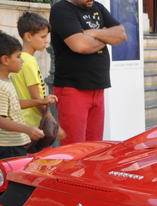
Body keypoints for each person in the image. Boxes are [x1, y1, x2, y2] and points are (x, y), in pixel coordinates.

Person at [49, 0, 126, 145]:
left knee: (94, 148)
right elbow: (80, 45)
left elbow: (121, 35)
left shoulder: (97, 6)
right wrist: (106, 37)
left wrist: (93, 33)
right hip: (73, 89)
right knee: (75, 149)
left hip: (98, 88)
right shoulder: (61, 9)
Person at [0, 31, 54, 162]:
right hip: (6, 148)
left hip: (12, 145)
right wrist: (28, 129)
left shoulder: (4, 80)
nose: (22, 61)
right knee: (12, 182)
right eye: (18, 56)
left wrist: (40, 101)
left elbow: (14, 104)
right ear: (5, 59)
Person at [11, 12, 65, 147]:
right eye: (42, 36)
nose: (46, 40)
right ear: (28, 36)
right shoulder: (28, 62)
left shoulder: (20, 59)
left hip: (24, 124)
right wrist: (54, 125)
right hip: (31, 126)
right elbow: (38, 100)